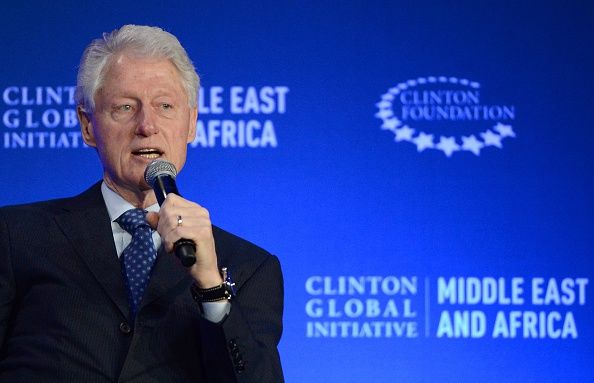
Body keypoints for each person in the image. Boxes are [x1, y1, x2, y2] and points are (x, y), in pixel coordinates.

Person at [0, 25, 284, 382]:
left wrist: (211, 288)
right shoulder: (15, 236)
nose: (146, 125)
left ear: (191, 123)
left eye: (165, 106)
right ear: (88, 125)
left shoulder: (249, 267)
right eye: (125, 107)